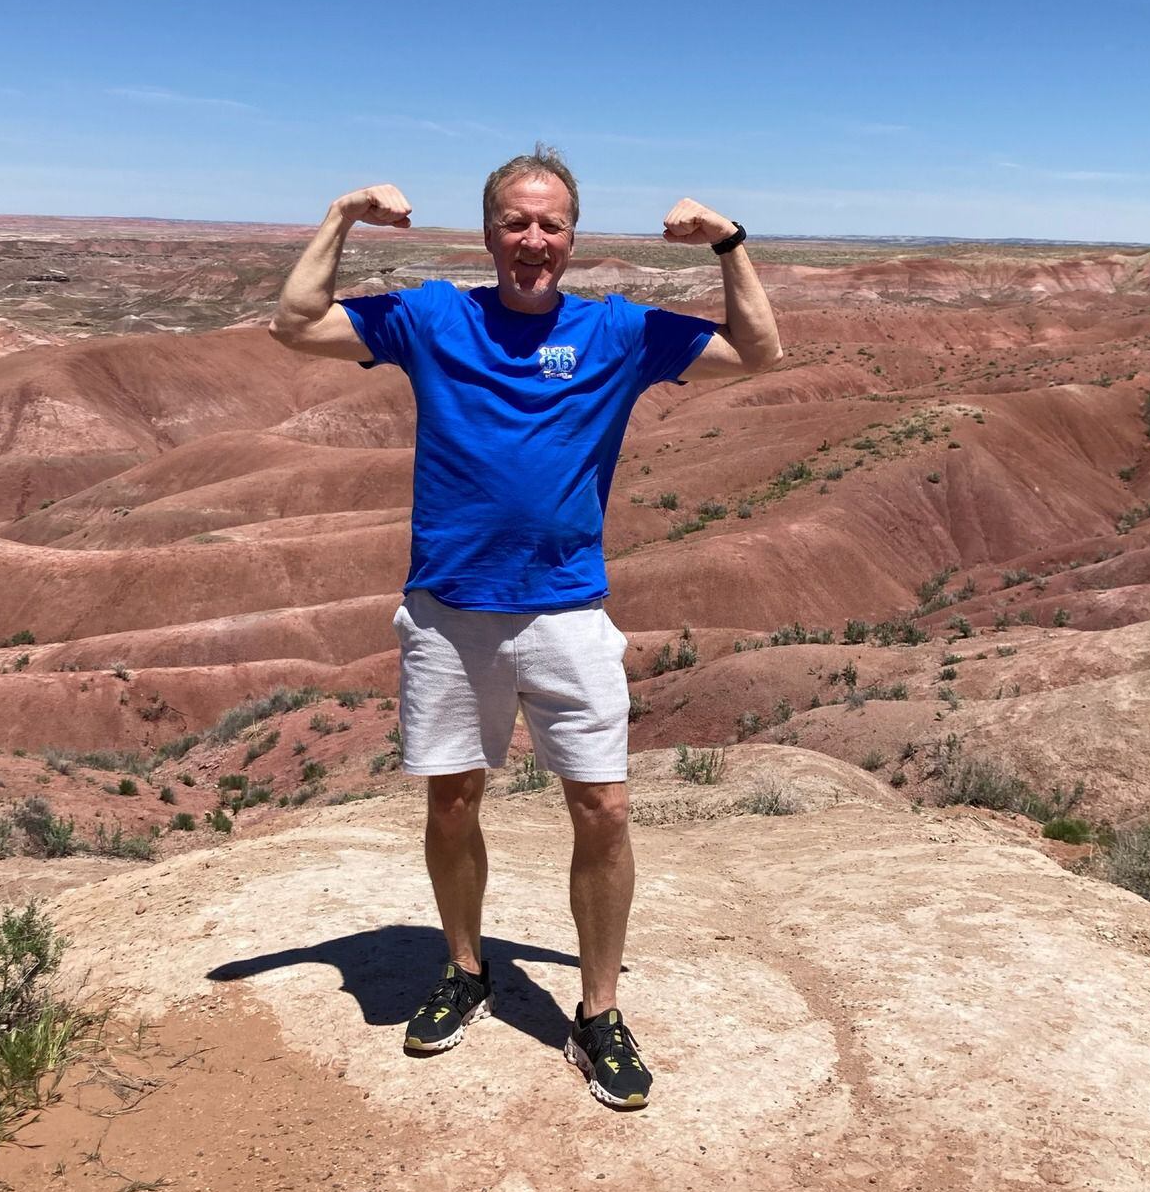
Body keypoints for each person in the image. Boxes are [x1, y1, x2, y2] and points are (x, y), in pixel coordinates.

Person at [269, 145, 782, 1109]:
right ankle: (465, 971)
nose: (532, 240)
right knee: (453, 799)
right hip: (450, 610)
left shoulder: (615, 331)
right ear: (489, 230)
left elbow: (760, 354)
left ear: (573, 239)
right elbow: (294, 323)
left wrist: (730, 244)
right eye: (515, 221)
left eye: (549, 224)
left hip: (566, 611)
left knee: (605, 807)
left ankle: (596, 1011)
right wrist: (341, 212)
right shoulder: (432, 315)